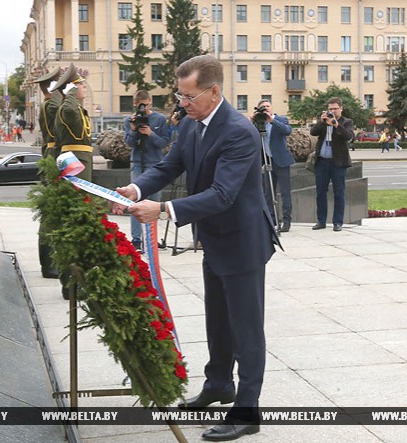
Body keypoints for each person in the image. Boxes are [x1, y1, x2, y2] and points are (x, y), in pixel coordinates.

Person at [113, 55, 279, 441]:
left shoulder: (239, 131)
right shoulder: (190, 125)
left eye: (188, 96)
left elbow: (222, 194)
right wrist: (136, 189)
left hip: (242, 242)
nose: (182, 103)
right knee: (217, 319)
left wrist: (163, 210)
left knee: (246, 328)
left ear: (214, 91)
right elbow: (170, 166)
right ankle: (219, 384)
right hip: (214, 239)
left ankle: (248, 411)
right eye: (179, 95)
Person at [124, 90, 170, 251]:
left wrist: (150, 133)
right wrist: (133, 129)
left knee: (154, 203)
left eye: (147, 104)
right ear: (136, 104)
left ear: (150, 102)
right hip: (137, 164)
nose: (144, 108)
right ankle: (136, 239)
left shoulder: (160, 119)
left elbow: (164, 142)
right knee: (134, 202)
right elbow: (130, 143)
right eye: (141, 105)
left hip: (155, 164)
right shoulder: (130, 120)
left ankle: (151, 238)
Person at [33, 67, 62, 279]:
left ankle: (51, 262)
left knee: (52, 214)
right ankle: (49, 264)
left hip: (52, 155)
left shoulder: (50, 104)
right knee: (50, 215)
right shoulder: (51, 105)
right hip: (53, 157)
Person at [310, 97, 355, 232]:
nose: (332, 111)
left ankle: (337, 222)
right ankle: (321, 221)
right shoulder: (324, 121)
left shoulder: (347, 122)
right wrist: (321, 121)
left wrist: (336, 124)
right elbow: (313, 132)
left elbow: (349, 136)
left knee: (339, 193)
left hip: (338, 163)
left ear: (341, 108)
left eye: (335, 108)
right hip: (322, 161)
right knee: (320, 193)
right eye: (330, 109)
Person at [253, 99, 294, 233]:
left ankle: (286, 221)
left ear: (271, 107)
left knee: (285, 192)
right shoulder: (258, 122)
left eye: (267, 106)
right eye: (262, 107)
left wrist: (272, 121)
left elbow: (287, 131)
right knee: (268, 193)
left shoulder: (281, 119)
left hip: (281, 161)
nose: (265, 109)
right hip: (266, 160)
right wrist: (251, 121)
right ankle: (271, 220)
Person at [51, 63, 93, 180]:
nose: (84, 88)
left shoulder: (77, 109)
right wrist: (72, 91)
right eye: (80, 85)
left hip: (80, 158)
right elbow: (70, 110)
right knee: (79, 196)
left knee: (84, 196)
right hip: (75, 159)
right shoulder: (67, 109)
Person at [33, 67, 62, 157]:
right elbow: (56, 105)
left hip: (53, 151)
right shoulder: (50, 106)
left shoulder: (47, 105)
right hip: (56, 152)